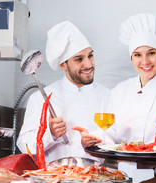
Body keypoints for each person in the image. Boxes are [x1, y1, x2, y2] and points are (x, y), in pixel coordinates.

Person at [75, 13, 156, 173]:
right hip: (117, 174)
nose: (145, 61)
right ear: (131, 58)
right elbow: (109, 133)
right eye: (138, 55)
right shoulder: (119, 91)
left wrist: (148, 159)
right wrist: (92, 140)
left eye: (151, 53)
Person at [17, 21, 110, 166]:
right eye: (79, 59)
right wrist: (50, 135)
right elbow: (24, 146)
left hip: (96, 182)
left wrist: (95, 142)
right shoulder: (40, 98)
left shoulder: (108, 96)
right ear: (63, 65)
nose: (89, 64)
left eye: (90, 56)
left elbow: (119, 142)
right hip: (54, 182)